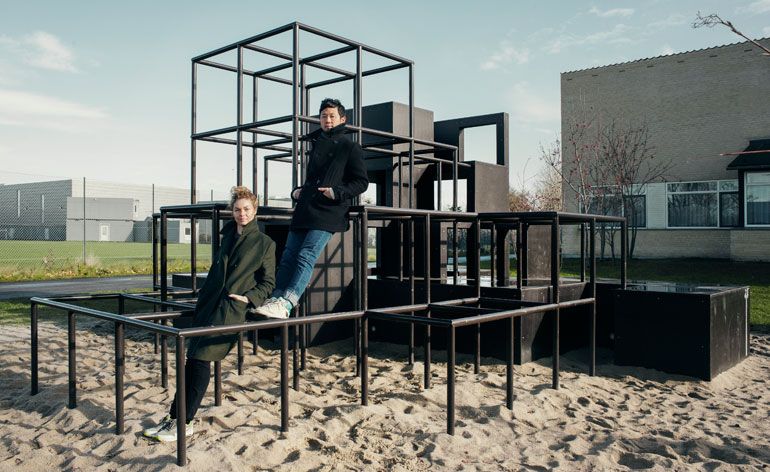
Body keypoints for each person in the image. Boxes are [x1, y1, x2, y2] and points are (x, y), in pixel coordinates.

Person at [143, 186, 275, 442]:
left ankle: (185, 423)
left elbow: (268, 282)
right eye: (237, 210)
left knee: (201, 360)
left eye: (247, 209)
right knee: (191, 361)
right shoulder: (226, 236)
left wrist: (249, 298)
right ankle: (174, 418)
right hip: (208, 305)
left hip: (230, 309)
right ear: (232, 211)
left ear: (255, 209)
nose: (242, 214)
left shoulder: (264, 243)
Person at [253, 98, 369, 319]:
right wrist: (297, 191)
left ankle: (287, 302)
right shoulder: (314, 143)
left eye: (332, 116)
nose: (327, 120)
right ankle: (275, 298)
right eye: (324, 116)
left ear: (342, 119)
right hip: (306, 207)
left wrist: (336, 192)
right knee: (288, 255)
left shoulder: (350, 146)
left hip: (328, 211)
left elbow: (361, 182)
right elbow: (313, 179)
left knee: (306, 255)